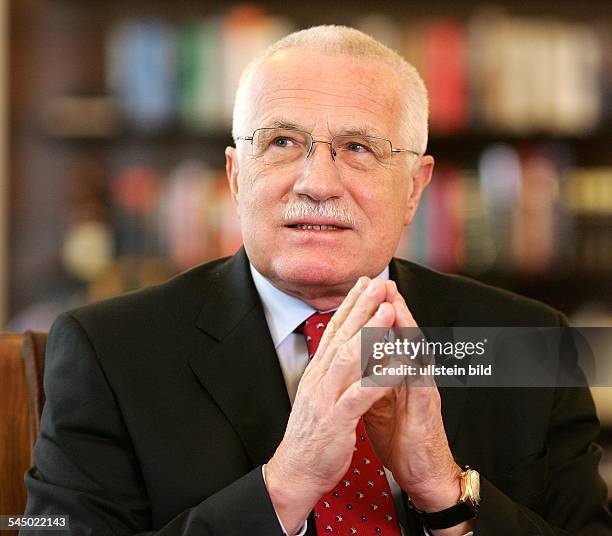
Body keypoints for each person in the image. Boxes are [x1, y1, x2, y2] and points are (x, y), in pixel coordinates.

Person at [24, 25, 611, 535]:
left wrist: (445, 491)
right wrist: (283, 487)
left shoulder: (522, 344)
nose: (317, 183)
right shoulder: (111, 351)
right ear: (235, 175)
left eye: (357, 147)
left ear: (414, 188)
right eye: (282, 143)